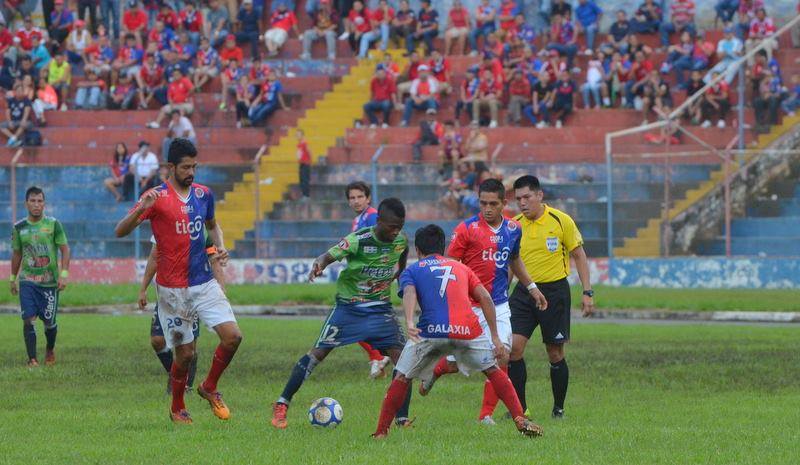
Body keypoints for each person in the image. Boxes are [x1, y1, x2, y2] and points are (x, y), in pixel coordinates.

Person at [371, 223, 543, 438]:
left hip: (431, 331)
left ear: (418, 250)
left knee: (402, 377)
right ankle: (520, 418)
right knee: (493, 370)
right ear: (443, 248)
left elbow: (409, 293)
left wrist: (409, 321)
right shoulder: (463, 268)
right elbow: (485, 297)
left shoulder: (413, 270)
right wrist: (495, 337)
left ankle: (381, 432)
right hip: (468, 331)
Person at [114, 138, 241, 425]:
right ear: (171, 167)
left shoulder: (204, 194)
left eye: (194, 166)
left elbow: (212, 225)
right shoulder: (155, 197)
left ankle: (209, 387)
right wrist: (140, 210)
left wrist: (220, 246)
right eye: (186, 167)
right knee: (185, 354)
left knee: (233, 337)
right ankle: (177, 407)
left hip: (204, 282)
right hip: (172, 290)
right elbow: (120, 231)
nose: (191, 172)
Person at [271, 198, 412, 429]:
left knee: (404, 359)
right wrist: (319, 264)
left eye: (400, 227)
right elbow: (327, 256)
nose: (396, 231)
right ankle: (281, 404)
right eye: (392, 227)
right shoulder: (358, 239)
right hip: (349, 308)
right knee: (318, 353)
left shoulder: (400, 240)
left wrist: (399, 274)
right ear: (379, 221)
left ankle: (402, 419)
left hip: (380, 310)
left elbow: (403, 255)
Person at [416, 179, 548, 425]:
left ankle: (485, 415)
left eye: (493, 204)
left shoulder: (513, 229)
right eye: (483, 203)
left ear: (504, 203)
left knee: (502, 355)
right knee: (458, 363)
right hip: (468, 306)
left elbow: (514, 259)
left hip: (498, 304)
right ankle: (436, 371)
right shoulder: (466, 229)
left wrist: (532, 288)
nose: (487, 208)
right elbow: (449, 266)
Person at [508, 175, 594, 420]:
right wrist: (500, 293)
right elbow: (510, 263)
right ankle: (520, 410)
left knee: (555, 352)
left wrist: (587, 292)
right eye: (518, 199)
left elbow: (579, 255)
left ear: (539, 195)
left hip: (555, 292)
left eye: (527, 197)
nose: (522, 203)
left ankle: (558, 409)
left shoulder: (560, 220)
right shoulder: (513, 225)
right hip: (523, 292)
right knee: (513, 349)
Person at [140, 231, 225, 394]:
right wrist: (143, 288)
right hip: (167, 292)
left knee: (189, 347)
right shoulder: (160, 225)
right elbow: (154, 257)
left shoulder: (199, 227)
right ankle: (175, 376)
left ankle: (185, 386)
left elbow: (213, 259)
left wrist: (221, 290)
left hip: (192, 292)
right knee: (157, 340)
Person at [10, 186, 70, 368]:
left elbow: (65, 250)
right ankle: (32, 359)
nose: (36, 204)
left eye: (40, 201)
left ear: (44, 203)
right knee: (28, 318)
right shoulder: (19, 227)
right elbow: (17, 254)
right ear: (26, 203)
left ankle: (50, 349)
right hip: (27, 281)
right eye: (33, 201)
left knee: (49, 323)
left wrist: (64, 275)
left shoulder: (53, 224)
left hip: (49, 282)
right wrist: (13, 278)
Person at [296, 129, 311, 200]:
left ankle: (306, 195)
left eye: (299, 134)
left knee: (305, 179)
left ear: (302, 135)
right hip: (301, 163)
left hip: (305, 164)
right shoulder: (299, 144)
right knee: (301, 179)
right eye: (296, 135)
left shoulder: (304, 143)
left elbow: (309, 151)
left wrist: (308, 161)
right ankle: (304, 195)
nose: (297, 136)